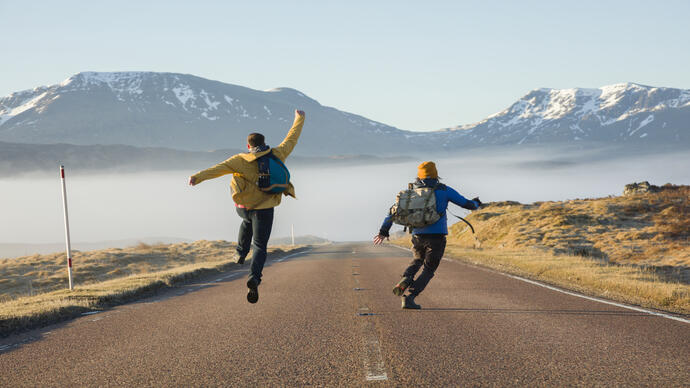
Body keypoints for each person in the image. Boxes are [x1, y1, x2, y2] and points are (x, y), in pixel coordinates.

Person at [189, 109, 305, 304]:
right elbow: (292, 138)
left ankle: (240, 252)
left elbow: (216, 170)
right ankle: (254, 277)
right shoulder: (277, 153)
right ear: (264, 142)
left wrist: (197, 177)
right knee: (260, 245)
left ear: (248, 145)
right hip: (265, 209)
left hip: (243, 206)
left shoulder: (239, 160)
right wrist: (299, 118)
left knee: (245, 221)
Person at [373, 161, 481, 309]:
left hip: (417, 236)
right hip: (437, 237)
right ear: (436, 174)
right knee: (429, 269)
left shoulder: (411, 191)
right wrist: (476, 203)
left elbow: (391, 212)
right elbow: (466, 204)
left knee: (417, 260)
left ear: (419, 175)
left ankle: (406, 278)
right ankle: (410, 297)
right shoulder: (443, 190)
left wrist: (383, 232)